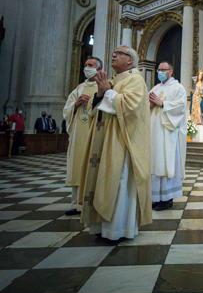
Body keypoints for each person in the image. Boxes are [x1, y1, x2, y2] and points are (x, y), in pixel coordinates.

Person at [81, 45, 152, 243]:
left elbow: (131, 107)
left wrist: (108, 93)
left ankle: (116, 230)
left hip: (123, 142)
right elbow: (94, 108)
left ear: (130, 60)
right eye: (113, 52)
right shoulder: (113, 80)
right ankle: (100, 227)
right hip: (105, 142)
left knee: (119, 183)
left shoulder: (135, 79)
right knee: (103, 181)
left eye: (119, 53)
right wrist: (100, 94)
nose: (113, 54)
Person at [62, 56, 102, 216]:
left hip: (94, 132)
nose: (87, 67)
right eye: (85, 65)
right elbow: (66, 110)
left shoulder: (103, 86)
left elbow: (107, 107)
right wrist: (76, 104)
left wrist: (92, 102)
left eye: (91, 65)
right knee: (77, 165)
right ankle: (76, 203)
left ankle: (92, 202)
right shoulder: (78, 88)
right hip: (79, 133)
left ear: (99, 69)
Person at [149, 61, 187, 211]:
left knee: (166, 162)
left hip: (168, 132)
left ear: (171, 72)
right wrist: (150, 105)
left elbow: (181, 107)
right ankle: (155, 197)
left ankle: (167, 199)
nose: (160, 72)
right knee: (155, 162)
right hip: (154, 132)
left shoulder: (178, 88)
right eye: (159, 69)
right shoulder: (155, 88)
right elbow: (146, 105)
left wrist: (163, 104)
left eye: (164, 69)